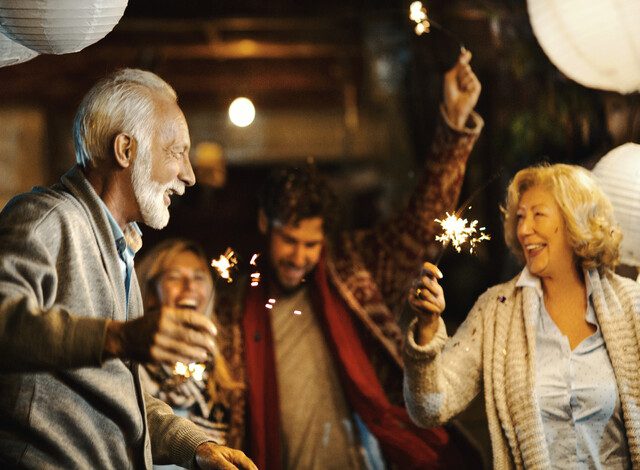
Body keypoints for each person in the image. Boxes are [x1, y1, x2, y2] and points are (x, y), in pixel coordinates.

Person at [213, 49, 484, 469]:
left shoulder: (353, 268)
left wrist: (452, 126)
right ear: (266, 224)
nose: (299, 256)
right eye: (289, 240)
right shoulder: (236, 304)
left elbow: (421, 226)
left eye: (311, 243)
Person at [0, 69, 256, 470]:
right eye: (177, 152)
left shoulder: (122, 249)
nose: (189, 175)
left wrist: (196, 448)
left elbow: (125, 397)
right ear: (125, 151)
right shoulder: (48, 219)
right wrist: (119, 337)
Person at [404, 163, 640, 468]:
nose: (524, 229)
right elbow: (429, 409)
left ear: (574, 221)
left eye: (538, 214)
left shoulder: (631, 304)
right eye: (520, 217)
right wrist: (427, 328)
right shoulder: (495, 311)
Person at [136, 238, 243, 450]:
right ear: (150, 294)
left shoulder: (228, 364)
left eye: (199, 277)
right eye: (175, 277)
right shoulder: (134, 361)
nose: (190, 286)